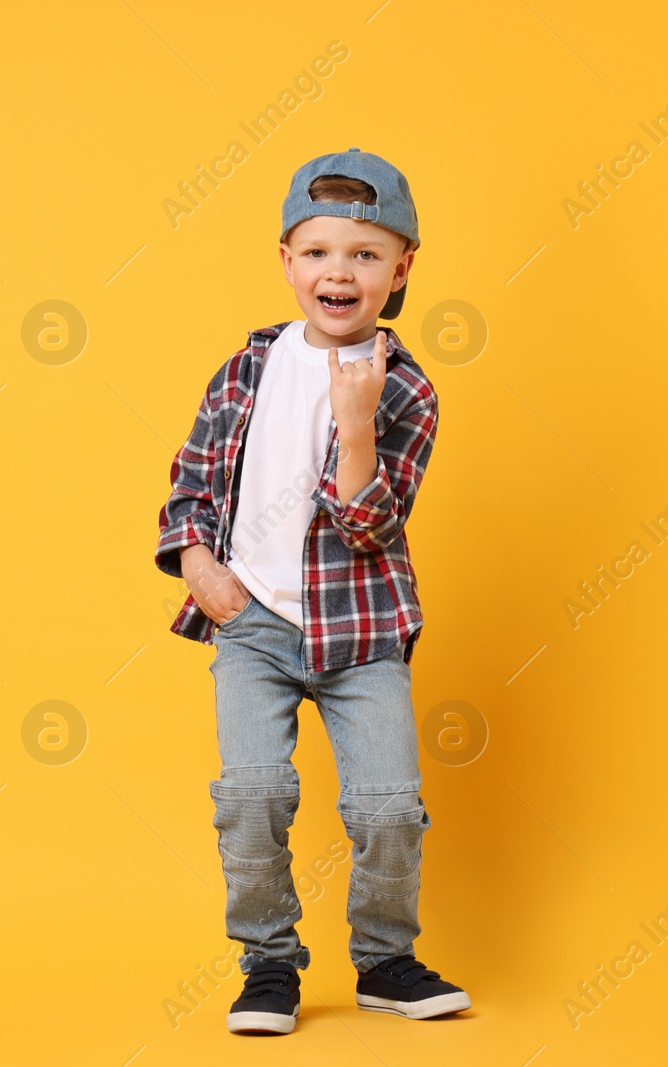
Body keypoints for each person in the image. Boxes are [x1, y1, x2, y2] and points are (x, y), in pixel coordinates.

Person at [154, 147, 470, 1035]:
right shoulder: (245, 371)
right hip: (249, 623)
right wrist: (196, 565)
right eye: (321, 252)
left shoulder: (406, 390)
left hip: (361, 629)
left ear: (401, 268)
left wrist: (358, 421)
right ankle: (267, 964)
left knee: (389, 808)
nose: (341, 271)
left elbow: (370, 525)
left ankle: (386, 959)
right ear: (287, 261)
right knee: (251, 795)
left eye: (366, 255)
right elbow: (190, 481)